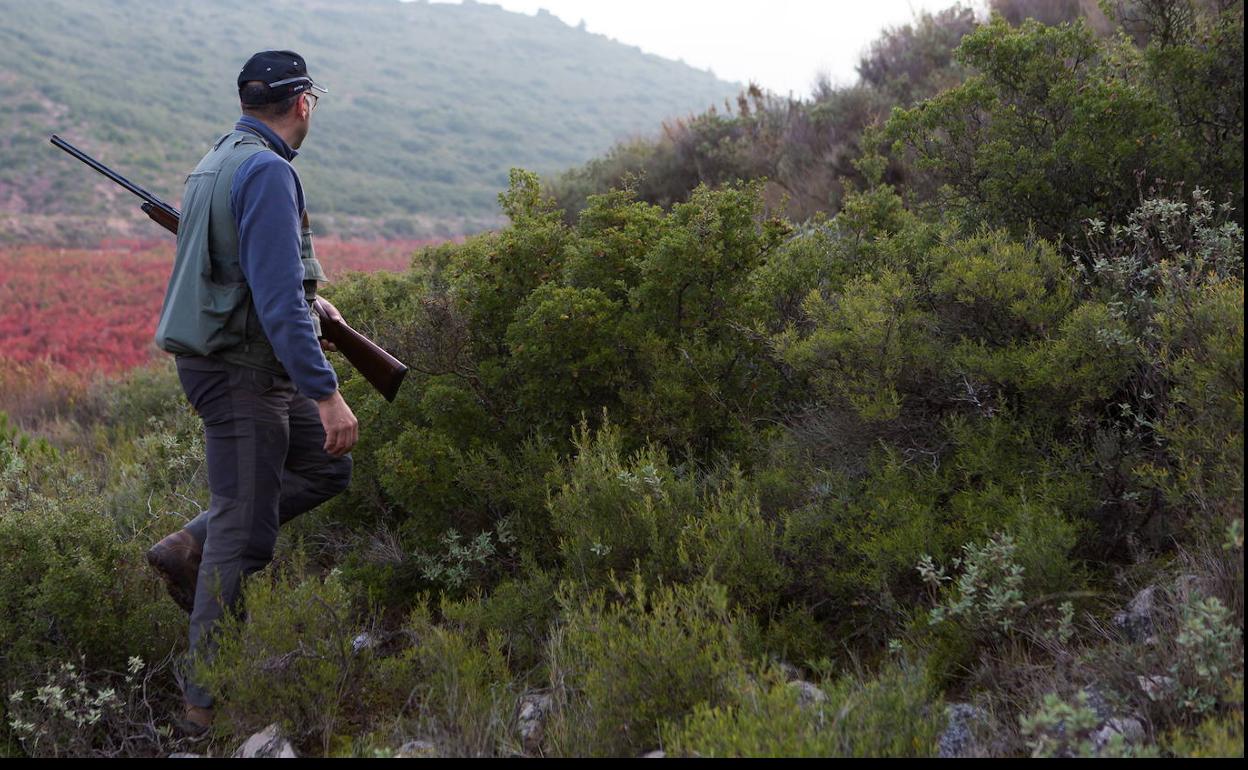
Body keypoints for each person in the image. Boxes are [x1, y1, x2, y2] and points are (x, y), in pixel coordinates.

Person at [145, 50, 358, 733]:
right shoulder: (267, 171)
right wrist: (325, 392)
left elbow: (250, 271)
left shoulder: (217, 161)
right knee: (242, 536)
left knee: (325, 467)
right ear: (303, 103)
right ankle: (202, 710)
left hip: (242, 363)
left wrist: (313, 305)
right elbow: (273, 296)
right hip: (240, 372)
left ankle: (187, 545)